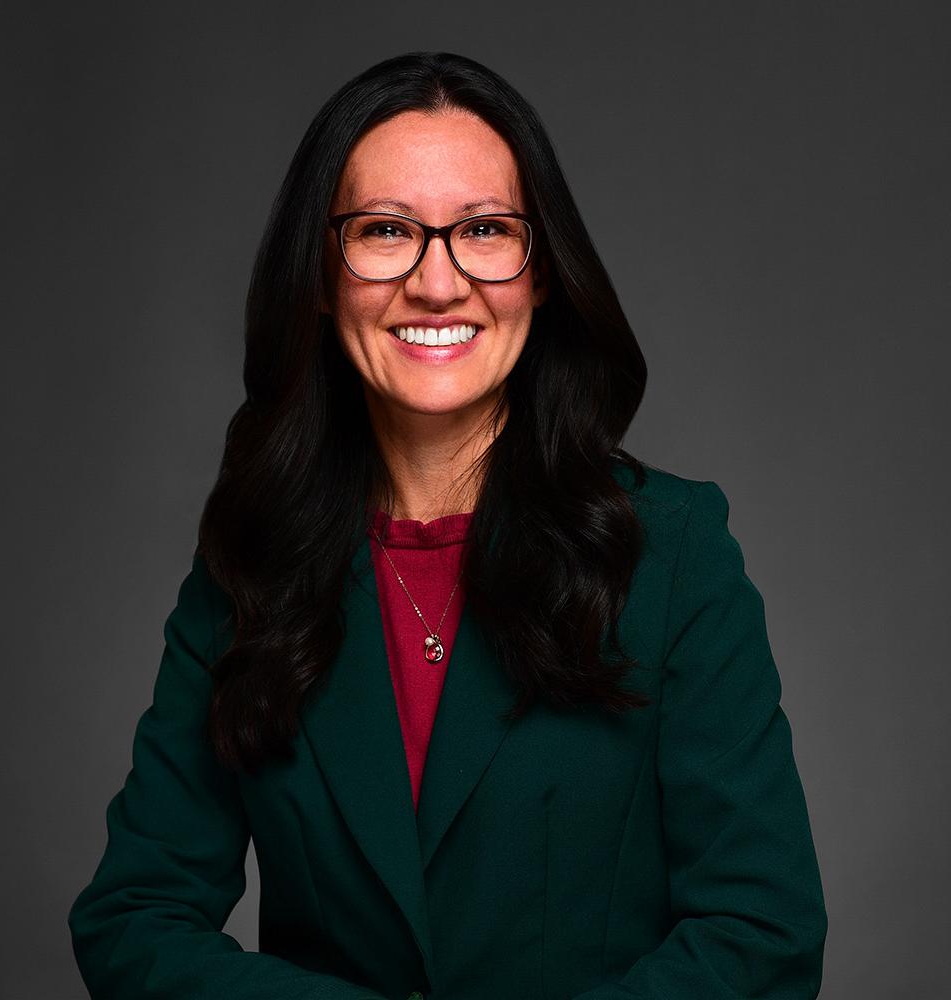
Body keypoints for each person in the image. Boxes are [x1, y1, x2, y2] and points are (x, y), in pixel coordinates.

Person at [69, 51, 828, 1000]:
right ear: (317, 274)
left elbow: (765, 932)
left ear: (542, 271)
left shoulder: (674, 555)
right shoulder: (250, 563)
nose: (438, 284)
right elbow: (134, 918)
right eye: (386, 231)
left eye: (485, 230)